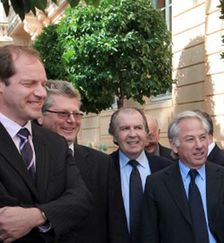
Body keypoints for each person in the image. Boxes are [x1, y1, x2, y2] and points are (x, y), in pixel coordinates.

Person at [0, 45, 91, 242]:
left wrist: (36, 216)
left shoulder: (56, 144)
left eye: (42, 84)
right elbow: (5, 219)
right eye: (29, 83)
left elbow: (81, 199)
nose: (41, 93)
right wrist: (57, 211)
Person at [142, 111, 224, 243]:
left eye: (203, 137)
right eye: (190, 139)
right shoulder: (156, 184)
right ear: (174, 145)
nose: (199, 145)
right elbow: (149, 235)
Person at [38, 80, 118, 243]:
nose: (72, 120)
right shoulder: (27, 160)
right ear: (40, 116)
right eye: (63, 114)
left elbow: (116, 223)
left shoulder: (102, 163)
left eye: (77, 114)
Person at [108, 107, 172, 243]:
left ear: (146, 132)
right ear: (114, 135)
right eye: (125, 128)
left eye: (138, 128)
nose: (133, 134)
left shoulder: (167, 169)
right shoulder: (103, 168)